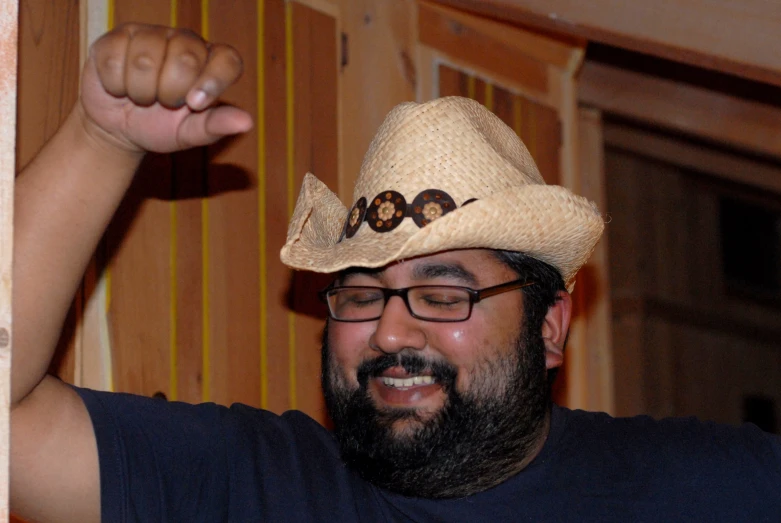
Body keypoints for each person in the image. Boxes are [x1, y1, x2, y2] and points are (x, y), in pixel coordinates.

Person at [10, 23, 780, 523]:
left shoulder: (713, 485)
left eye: (442, 293)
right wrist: (100, 139)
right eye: (358, 293)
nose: (387, 328)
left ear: (549, 328)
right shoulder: (251, 483)